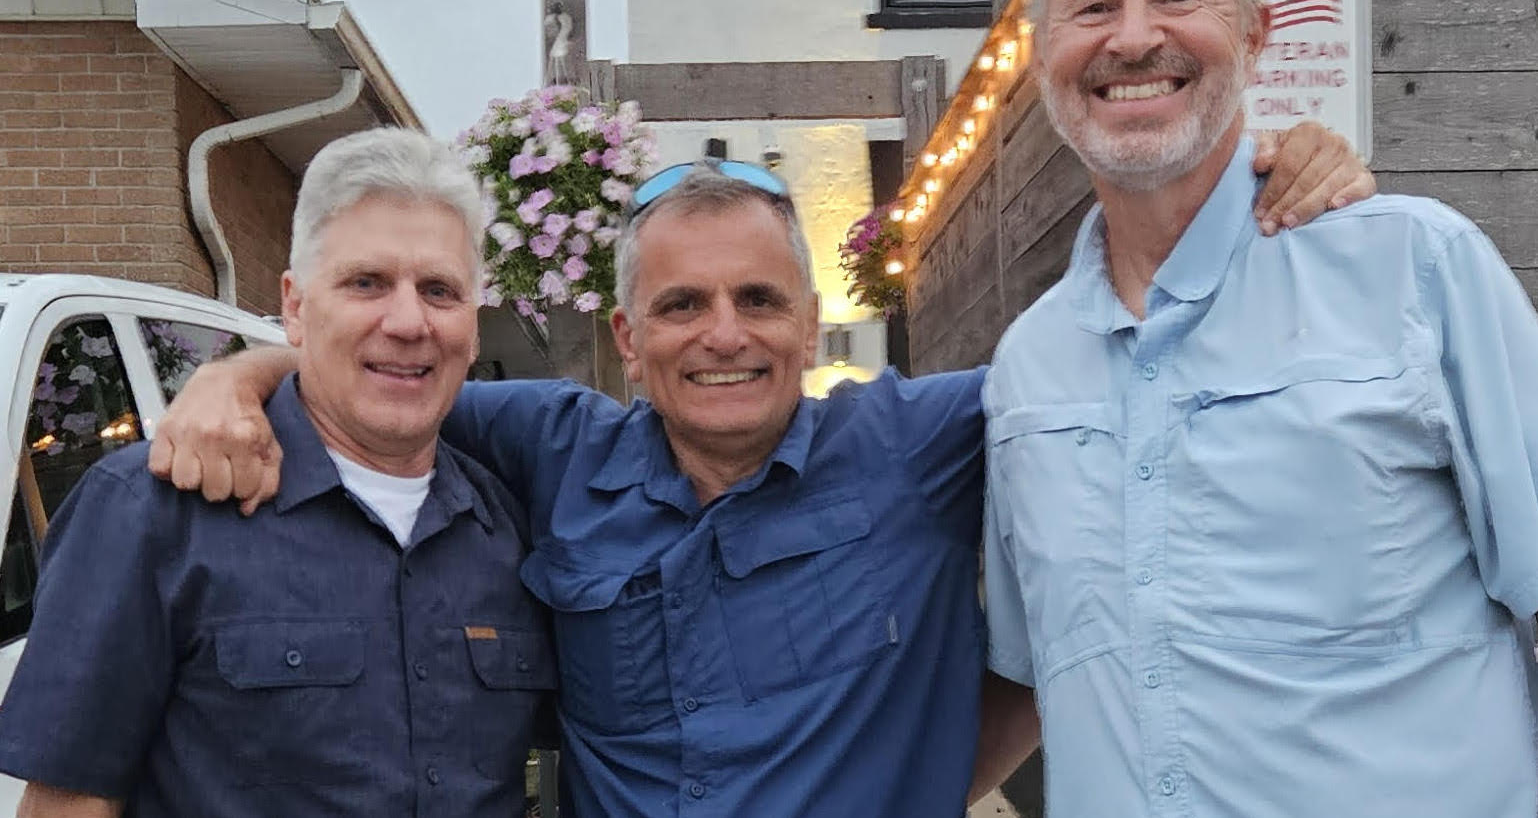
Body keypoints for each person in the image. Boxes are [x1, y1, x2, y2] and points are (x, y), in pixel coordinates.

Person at [147, 131, 1368, 818]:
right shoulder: (547, 443)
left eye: (756, 299)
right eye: (679, 304)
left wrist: (1289, 182)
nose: (721, 333)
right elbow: (387, 368)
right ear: (627, 339)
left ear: (810, 321)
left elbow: (1152, 361)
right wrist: (238, 378)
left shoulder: (923, 440)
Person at [974, 0, 1538, 817]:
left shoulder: (1415, 271)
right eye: (1093, 5)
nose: (1133, 36)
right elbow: (1039, 675)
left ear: (1256, 30)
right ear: (1037, 48)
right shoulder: (1024, 368)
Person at [0, 129, 554, 817]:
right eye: (366, 282)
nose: (409, 320)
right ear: (294, 305)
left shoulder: (509, 527)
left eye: (439, 289)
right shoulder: (151, 511)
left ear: (474, 324)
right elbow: (68, 803)